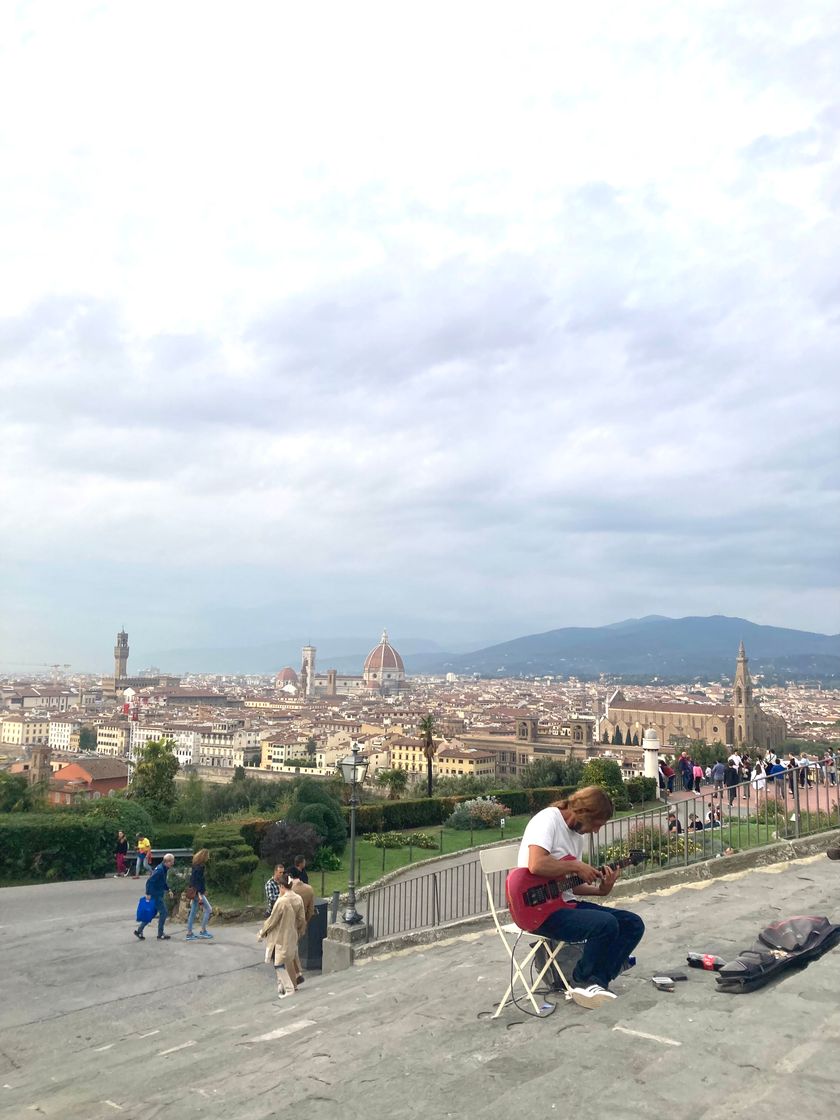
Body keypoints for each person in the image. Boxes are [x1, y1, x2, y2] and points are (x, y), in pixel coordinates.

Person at [516, 786, 644, 1009]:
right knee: (605, 925)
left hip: (563, 904)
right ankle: (582, 980)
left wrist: (602, 890)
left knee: (632, 924)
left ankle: (597, 982)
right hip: (537, 909)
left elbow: (569, 887)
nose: (595, 831)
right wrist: (576, 865)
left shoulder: (576, 837)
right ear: (585, 812)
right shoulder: (547, 820)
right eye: (596, 824)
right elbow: (536, 864)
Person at [257, 873, 306, 998]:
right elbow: (301, 919)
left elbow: (272, 920)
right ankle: (288, 985)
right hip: (293, 933)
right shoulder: (298, 898)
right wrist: (299, 931)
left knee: (279, 962)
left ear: (281, 886)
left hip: (280, 935)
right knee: (289, 960)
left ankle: (287, 987)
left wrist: (262, 933)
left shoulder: (281, 901)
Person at [135, 853, 174, 941]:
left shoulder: (164, 868)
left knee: (151, 913)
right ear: (167, 862)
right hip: (156, 895)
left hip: (157, 894)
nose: (173, 864)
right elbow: (150, 881)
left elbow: (162, 881)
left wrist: (168, 889)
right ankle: (160, 934)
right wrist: (148, 893)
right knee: (163, 913)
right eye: (172, 862)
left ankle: (139, 931)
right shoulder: (160, 870)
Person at [289, 875, 316, 984]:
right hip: (302, 923)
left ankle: (297, 974)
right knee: (294, 946)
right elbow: (311, 910)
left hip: (289, 923)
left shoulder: (289, 890)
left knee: (291, 948)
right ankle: (297, 973)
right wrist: (305, 921)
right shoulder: (309, 889)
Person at [185, 848, 214, 942]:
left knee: (193, 912)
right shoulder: (200, 867)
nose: (208, 858)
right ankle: (203, 930)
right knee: (209, 909)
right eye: (207, 856)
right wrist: (201, 894)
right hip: (198, 892)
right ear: (204, 857)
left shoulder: (195, 866)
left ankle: (189, 933)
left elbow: (193, 881)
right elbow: (198, 882)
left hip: (195, 891)